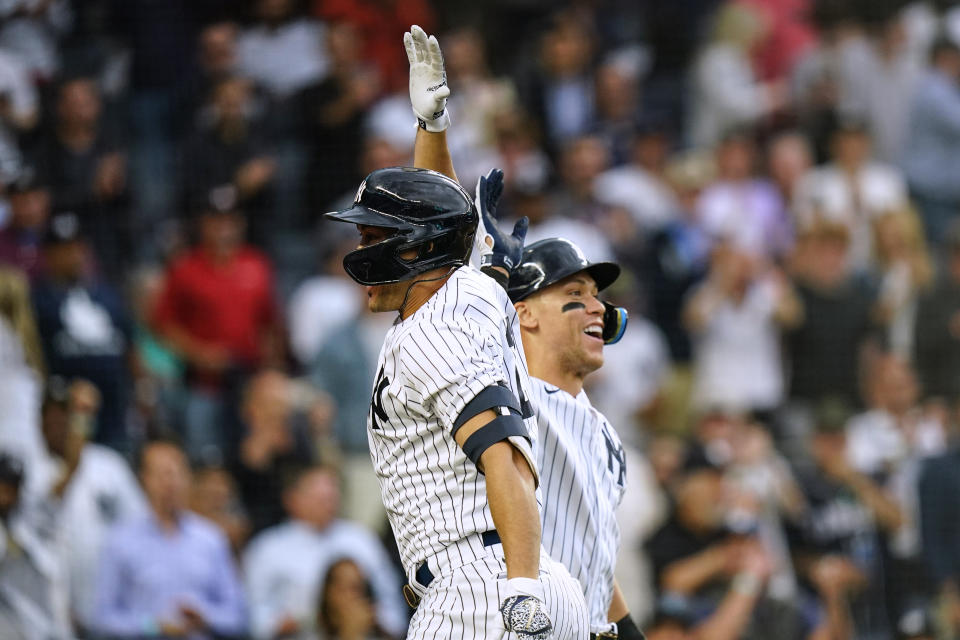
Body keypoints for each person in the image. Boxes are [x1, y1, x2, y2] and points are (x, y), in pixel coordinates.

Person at [321, 24, 588, 639]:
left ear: (416, 252)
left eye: (371, 237)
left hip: (483, 589)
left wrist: (519, 590)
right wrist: (432, 126)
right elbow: (441, 220)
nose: (361, 251)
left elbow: (503, 452)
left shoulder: (430, 337)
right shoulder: (473, 291)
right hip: (531, 573)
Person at [504, 237, 646, 640]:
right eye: (575, 293)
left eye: (596, 296)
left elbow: (592, 552)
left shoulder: (605, 433)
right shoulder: (509, 402)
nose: (598, 306)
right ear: (525, 313)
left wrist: (629, 630)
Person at [92, 437, 247, 639]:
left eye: (176, 472)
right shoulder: (120, 542)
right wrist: (152, 626)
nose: (170, 482)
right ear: (143, 479)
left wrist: (205, 617)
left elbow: (237, 615)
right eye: (161, 473)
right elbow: (101, 617)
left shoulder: (210, 539)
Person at [243, 466, 405, 639]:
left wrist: (372, 618)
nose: (328, 503)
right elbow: (255, 613)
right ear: (291, 499)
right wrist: (300, 620)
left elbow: (389, 598)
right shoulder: (266, 548)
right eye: (319, 497)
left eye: (331, 496)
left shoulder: (361, 539)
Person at [314, 558, 395, 640]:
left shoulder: (384, 635)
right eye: (344, 588)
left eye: (359, 588)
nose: (355, 596)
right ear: (329, 593)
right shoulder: (309, 633)